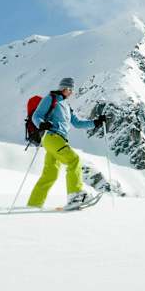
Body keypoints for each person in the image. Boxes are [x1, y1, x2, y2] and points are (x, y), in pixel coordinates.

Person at [27, 77, 107, 210]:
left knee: (50, 174)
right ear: (62, 88)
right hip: (51, 136)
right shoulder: (50, 98)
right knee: (74, 160)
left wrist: (95, 123)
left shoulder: (67, 106)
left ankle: (33, 204)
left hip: (59, 139)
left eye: (72, 90)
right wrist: (41, 124)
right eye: (69, 89)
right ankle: (75, 196)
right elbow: (37, 115)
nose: (70, 92)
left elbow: (77, 123)